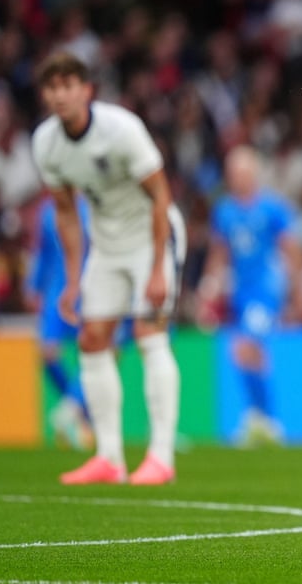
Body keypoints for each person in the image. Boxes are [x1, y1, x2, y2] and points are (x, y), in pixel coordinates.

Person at [30, 50, 186, 485]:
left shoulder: (121, 130)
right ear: (44, 95)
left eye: (68, 86)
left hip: (153, 237)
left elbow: (161, 196)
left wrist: (158, 269)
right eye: (52, 87)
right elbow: (65, 212)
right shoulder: (46, 143)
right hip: (107, 244)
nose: (60, 95)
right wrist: (72, 279)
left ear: (87, 90)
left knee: (149, 334)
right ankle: (109, 458)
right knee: (92, 339)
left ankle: (161, 458)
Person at [197, 145, 302, 446]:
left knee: (245, 348)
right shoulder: (224, 211)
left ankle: (264, 419)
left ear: (254, 174)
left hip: (266, 288)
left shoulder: (272, 208)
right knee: (249, 354)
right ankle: (262, 418)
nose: (238, 178)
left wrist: (299, 289)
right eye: (233, 173)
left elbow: (292, 250)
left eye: (243, 172)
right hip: (240, 290)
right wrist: (209, 288)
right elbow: (219, 253)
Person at [28, 193, 93, 449]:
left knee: (92, 352)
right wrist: (34, 286)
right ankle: (75, 408)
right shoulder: (47, 211)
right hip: (56, 291)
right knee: (47, 354)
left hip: (89, 288)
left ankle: (72, 410)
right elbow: (43, 252)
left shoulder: (92, 207)